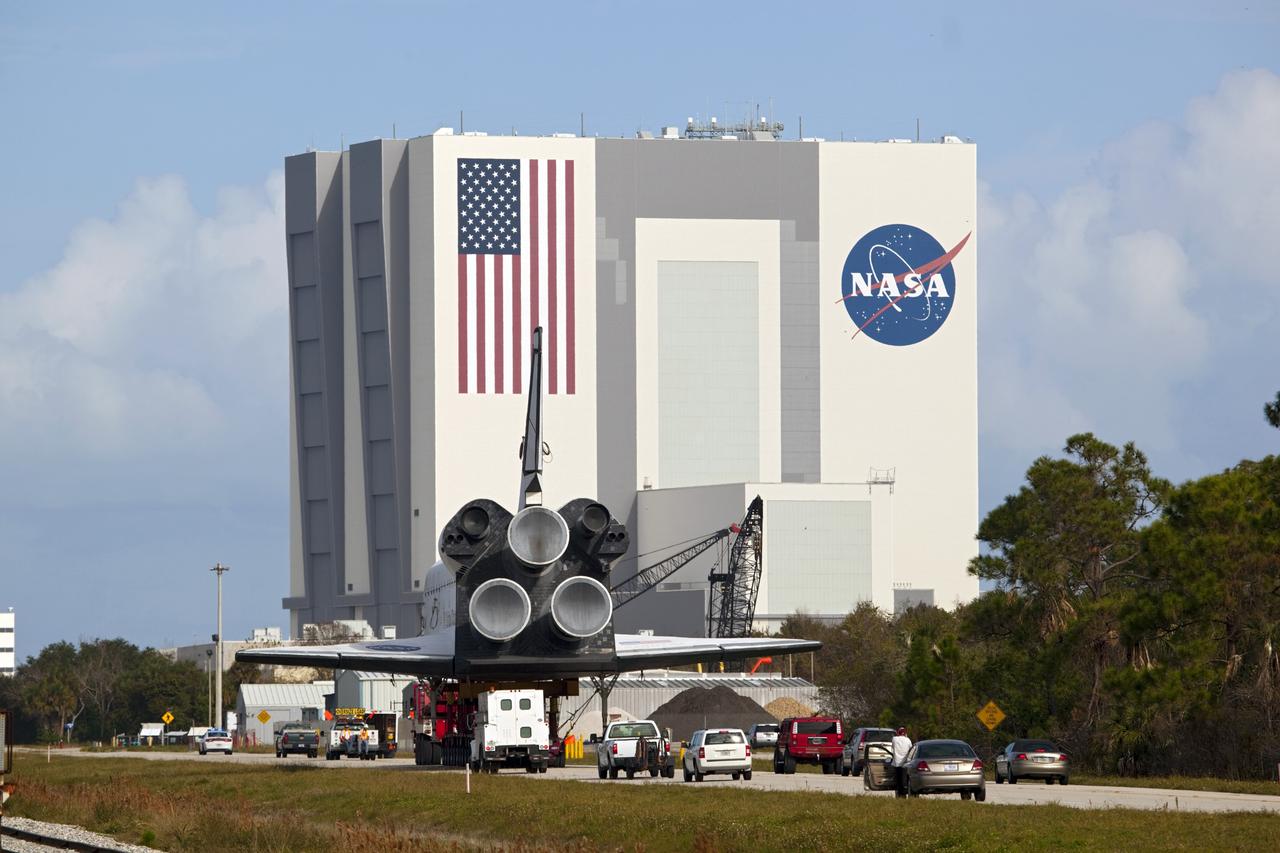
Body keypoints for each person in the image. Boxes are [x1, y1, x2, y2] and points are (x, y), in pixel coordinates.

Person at [891, 726, 913, 796]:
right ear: (905, 734)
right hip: (906, 763)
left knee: (898, 780)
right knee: (905, 779)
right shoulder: (908, 740)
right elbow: (911, 750)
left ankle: (900, 793)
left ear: (898, 733)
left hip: (897, 763)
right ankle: (905, 791)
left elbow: (892, 748)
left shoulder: (894, 739)